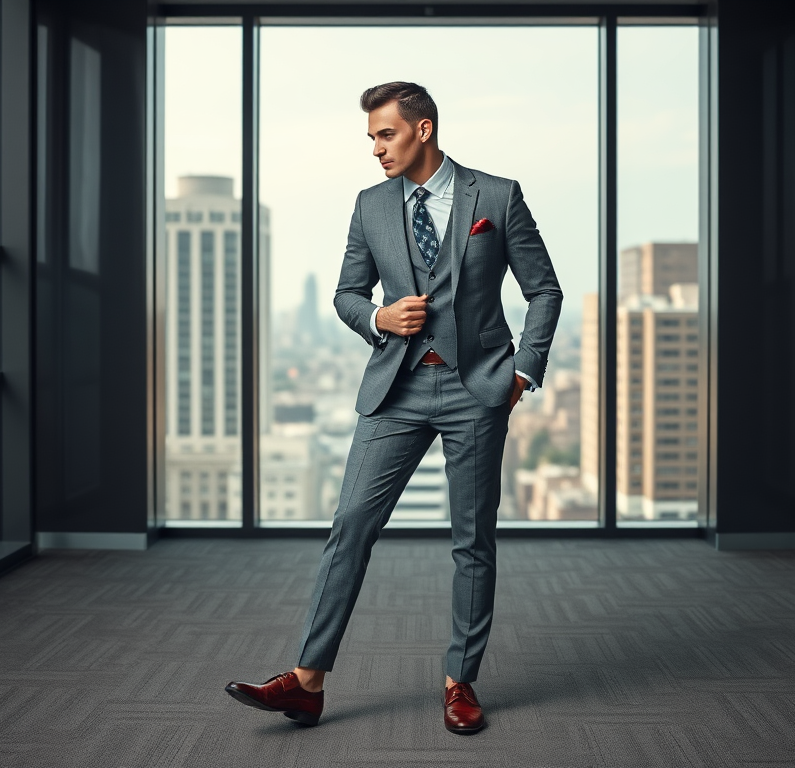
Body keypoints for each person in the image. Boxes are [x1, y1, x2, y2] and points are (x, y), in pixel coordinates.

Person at [226, 81, 562, 735]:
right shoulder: (371, 206)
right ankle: (306, 682)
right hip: (396, 390)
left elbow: (543, 289)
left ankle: (459, 682)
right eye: (372, 138)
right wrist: (379, 314)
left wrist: (524, 370)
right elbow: (347, 294)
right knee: (350, 525)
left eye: (386, 134)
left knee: (472, 541)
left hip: (476, 391)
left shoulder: (496, 196)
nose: (376, 149)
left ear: (423, 130)